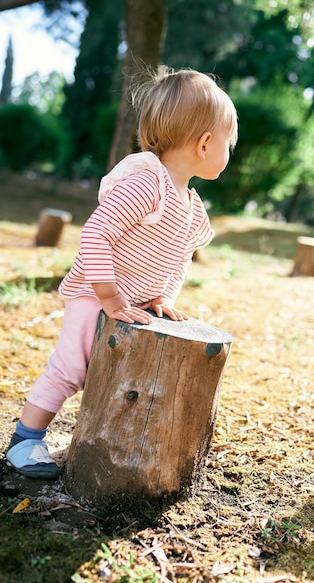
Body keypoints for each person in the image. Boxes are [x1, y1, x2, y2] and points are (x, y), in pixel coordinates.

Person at [6, 67, 238, 479]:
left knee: (121, 370)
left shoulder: (190, 204)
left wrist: (164, 295)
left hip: (131, 301)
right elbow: (95, 232)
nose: (230, 149)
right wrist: (109, 296)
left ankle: (99, 436)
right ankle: (26, 439)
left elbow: (179, 255)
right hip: (97, 294)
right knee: (71, 367)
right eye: (228, 141)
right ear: (205, 144)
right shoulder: (146, 184)